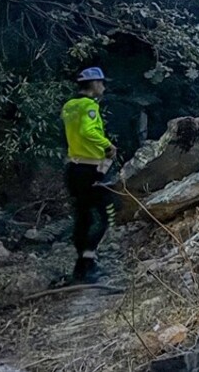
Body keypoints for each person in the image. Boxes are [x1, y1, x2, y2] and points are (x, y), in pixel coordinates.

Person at [61, 66, 118, 284]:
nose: (103, 87)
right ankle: (88, 262)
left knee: (83, 215)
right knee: (104, 216)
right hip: (90, 169)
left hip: (73, 169)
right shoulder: (89, 106)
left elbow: (72, 134)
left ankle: (80, 266)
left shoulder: (69, 106)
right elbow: (87, 131)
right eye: (101, 83)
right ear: (94, 84)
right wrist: (107, 144)